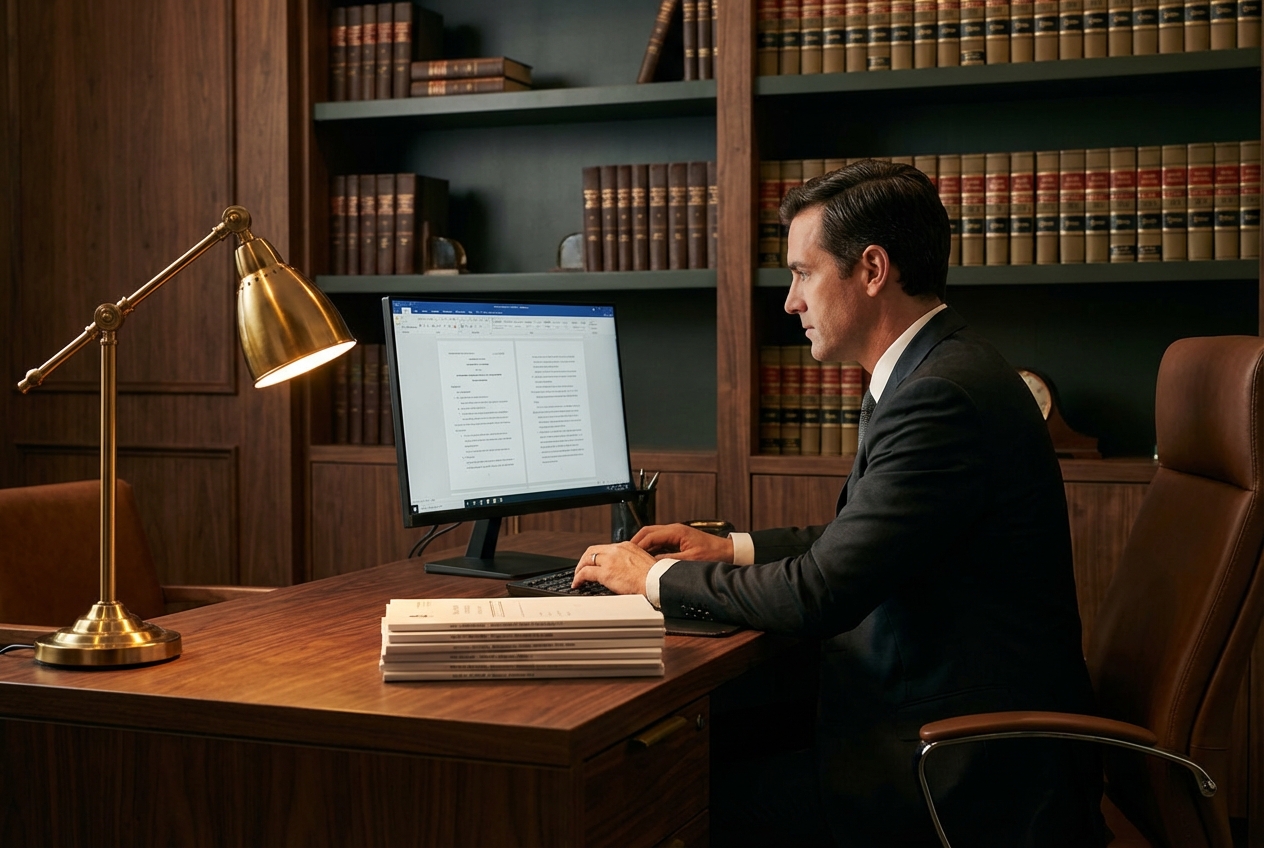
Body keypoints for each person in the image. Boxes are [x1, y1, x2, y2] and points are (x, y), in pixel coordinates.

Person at [572, 160, 1106, 847]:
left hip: (963, 772)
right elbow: (863, 538)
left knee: (654, 800)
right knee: (704, 747)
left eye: (802, 273)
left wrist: (648, 579)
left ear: (873, 269)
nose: (790, 301)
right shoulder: (937, 366)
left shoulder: (937, 396)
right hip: (939, 722)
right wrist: (730, 547)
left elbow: (823, 592)